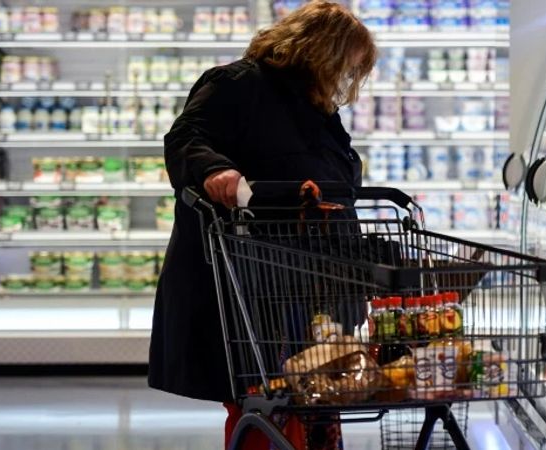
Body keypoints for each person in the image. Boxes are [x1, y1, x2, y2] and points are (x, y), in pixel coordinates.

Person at [148, 2, 377, 449]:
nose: (348, 78)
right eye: (346, 65)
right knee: (264, 394)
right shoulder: (237, 83)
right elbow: (186, 138)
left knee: (319, 386)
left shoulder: (315, 104)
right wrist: (216, 171)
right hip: (256, 279)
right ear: (320, 50)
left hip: (313, 280)